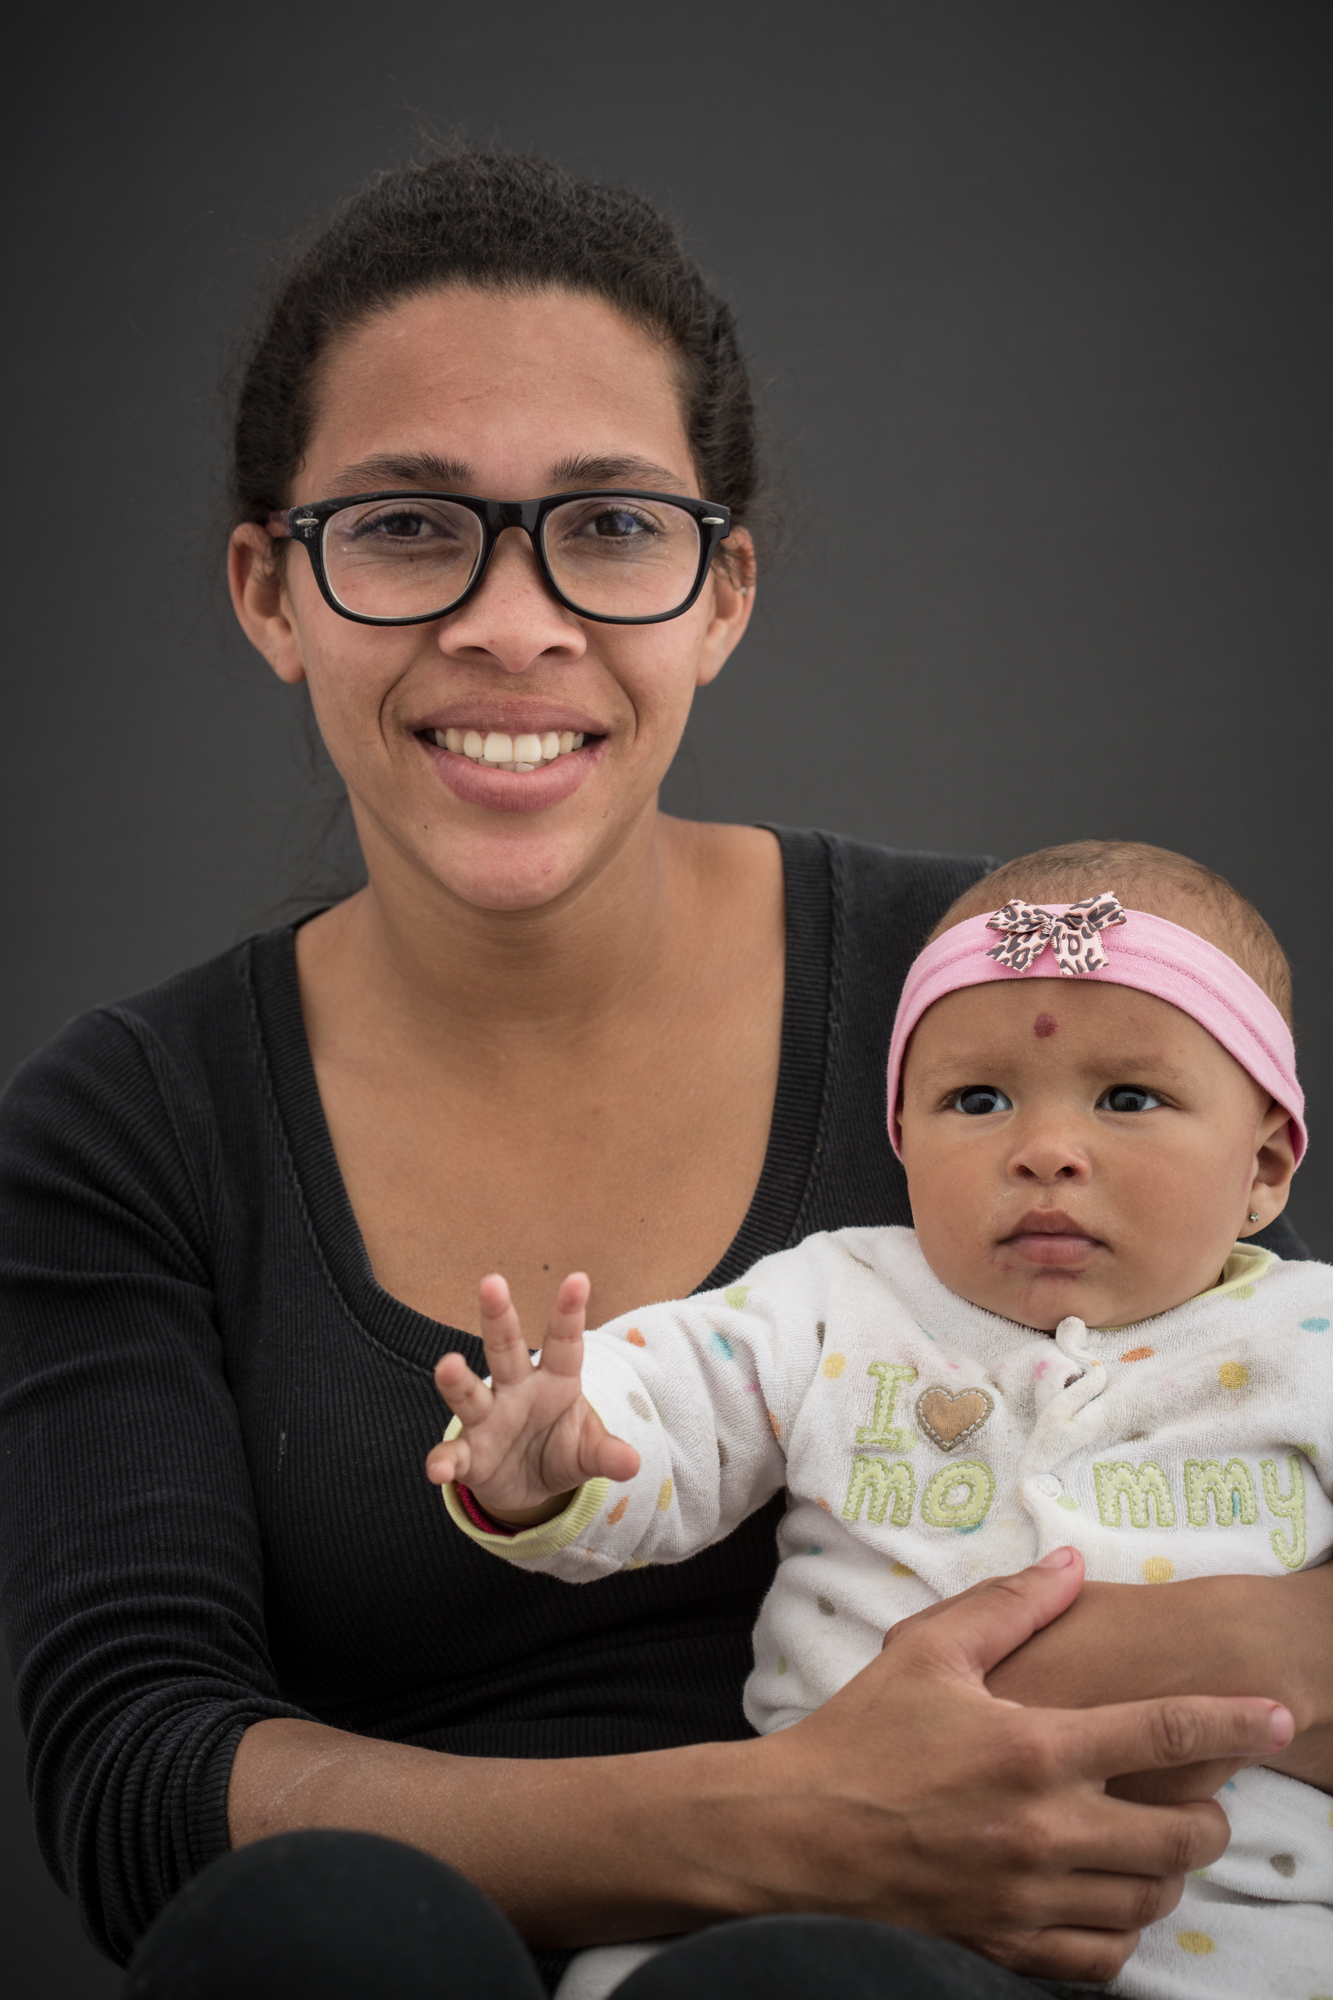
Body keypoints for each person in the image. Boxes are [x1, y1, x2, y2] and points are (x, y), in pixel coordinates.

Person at [0, 150, 1326, 1999]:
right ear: (267, 591)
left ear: (721, 591)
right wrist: (781, 1818)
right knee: (304, 1934)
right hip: (402, 1965)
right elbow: (142, 1784)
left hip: (933, 1977)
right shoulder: (127, 1128)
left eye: (610, 527)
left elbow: (1256, 1411)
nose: (511, 621)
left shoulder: (1019, 1006)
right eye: (403, 527)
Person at [431, 840, 1332, 1997]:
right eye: (977, 1098)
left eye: (1127, 1098)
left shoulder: (1304, 1338)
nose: (1044, 1149)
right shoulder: (839, 1299)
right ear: (903, 1139)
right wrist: (562, 1450)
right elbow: (672, 1392)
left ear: (1261, 1166)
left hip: (1219, 1930)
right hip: (850, 1889)